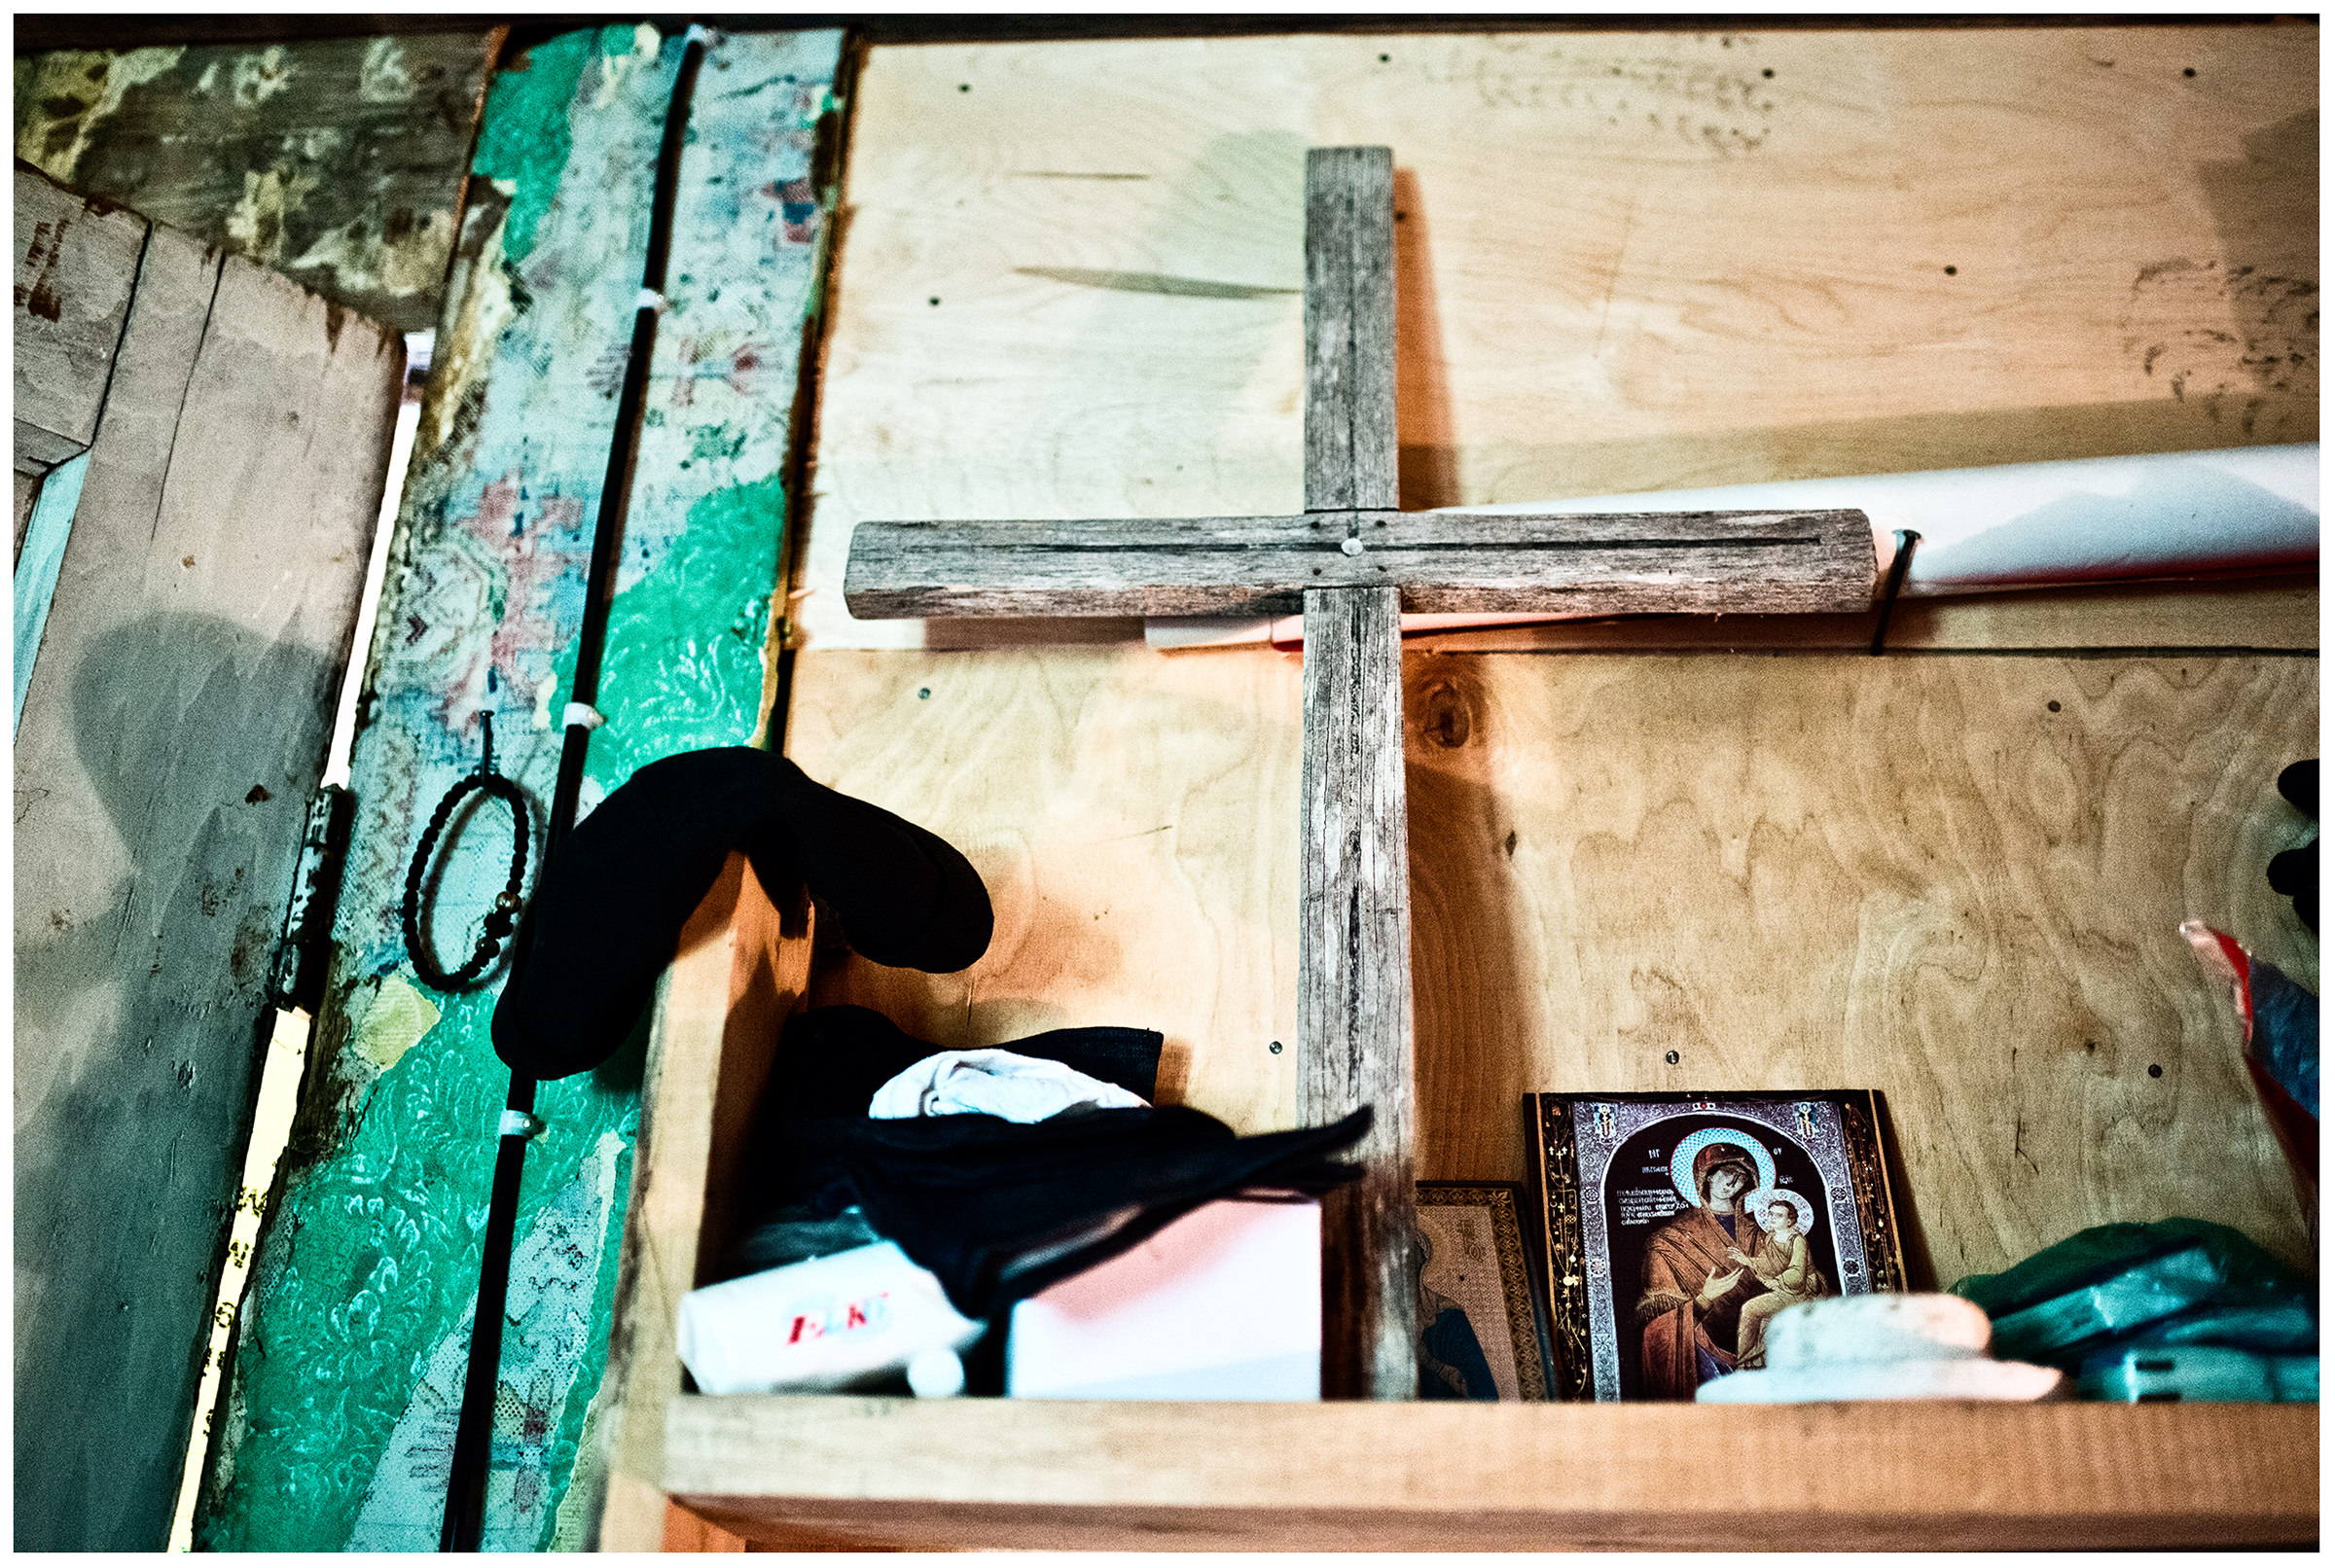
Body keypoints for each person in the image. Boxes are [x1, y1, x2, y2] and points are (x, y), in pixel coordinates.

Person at [1632, 1142, 1762, 1399]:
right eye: (1727, 1173)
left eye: (1741, 1178)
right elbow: (1655, 1331)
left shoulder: (1762, 1237)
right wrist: (1704, 1299)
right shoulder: (1669, 1242)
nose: (1732, 1183)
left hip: (1763, 1357)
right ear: (1708, 1177)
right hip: (1708, 1362)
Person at [1728, 1196, 1830, 1370]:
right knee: (1750, 1308)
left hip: (1800, 1291)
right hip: (1784, 1290)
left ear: (1790, 1220)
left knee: (1750, 1309)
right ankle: (1749, 1361)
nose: (1772, 1218)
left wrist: (1776, 1282)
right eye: (1770, 1214)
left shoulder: (1797, 1241)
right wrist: (1747, 1261)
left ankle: (1746, 1361)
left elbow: (1797, 1273)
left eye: (1779, 1215)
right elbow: (1766, 1263)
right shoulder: (1770, 1238)